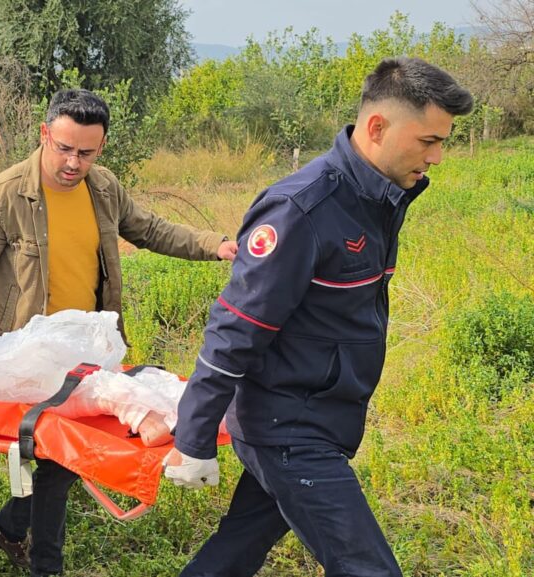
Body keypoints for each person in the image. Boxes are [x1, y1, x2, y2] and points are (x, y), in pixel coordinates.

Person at [165, 57, 473, 577]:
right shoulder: (301, 210)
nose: (438, 157)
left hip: (321, 416)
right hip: (289, 428)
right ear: (378, 128)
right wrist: (193, 437)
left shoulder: (377, 196)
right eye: (428, 141)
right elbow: (235, 327)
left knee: (234, 552)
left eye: (443, 142)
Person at [0, 88, 237, 577]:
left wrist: (218, 245)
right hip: (30, 352)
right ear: (45, 134)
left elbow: (151, 229)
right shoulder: (3, 196)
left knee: (62, 458)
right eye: (63, 148)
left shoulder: (102, 188)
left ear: (100, 147)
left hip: (89, 350)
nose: (72, 162)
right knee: (61, 460)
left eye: (86, 152)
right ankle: (44, 563)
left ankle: (9, 526)